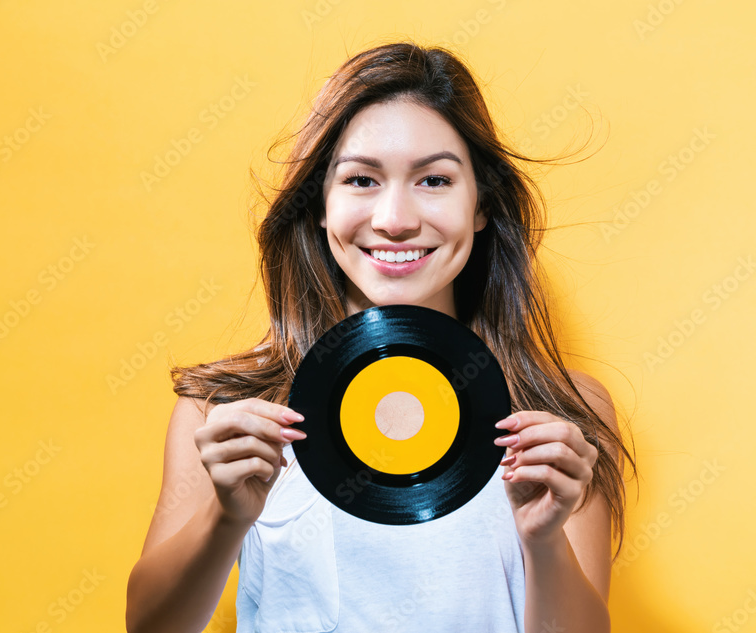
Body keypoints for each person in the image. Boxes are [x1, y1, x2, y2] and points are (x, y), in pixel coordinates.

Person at [126, 39, 636, 633]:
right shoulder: (226, 411)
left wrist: (545, 542)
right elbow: (150, 627)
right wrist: (224, 517)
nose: (395, 219)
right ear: (320, 203)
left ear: (481, 205)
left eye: (435, 180)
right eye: (362, 179)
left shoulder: (560, 412)